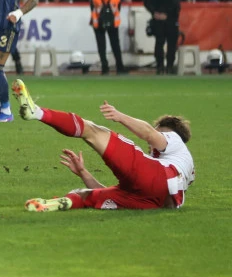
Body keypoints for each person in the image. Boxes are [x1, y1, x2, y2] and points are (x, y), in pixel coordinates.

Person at [13, 82, 194, 212]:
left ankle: (36, 112)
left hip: (156, 178)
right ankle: (55, 205)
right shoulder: (183, 171)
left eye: (160, 133)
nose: (151, 144)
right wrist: (84, 173)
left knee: (92, 131)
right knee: (85, 195)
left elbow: (148, 133)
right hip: (152, 202)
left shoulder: (175, 142)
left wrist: (119, 116)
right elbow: (122, 191)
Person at [145, 0, 181, 74]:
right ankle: (169, 66)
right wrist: (167, 14)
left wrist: (154, 12)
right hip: (169, 19)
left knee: (159, 42)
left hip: (156, 19)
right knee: (171, 43)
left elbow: (146, 1)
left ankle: (160, 67)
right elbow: (175, 3)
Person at [90, 0, 126, 75]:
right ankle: (120, 67)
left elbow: (92, 8)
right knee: (115, 45)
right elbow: (118, 7)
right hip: (113, 21)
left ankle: (105, 68)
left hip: (98, 22)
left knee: (101, 46)